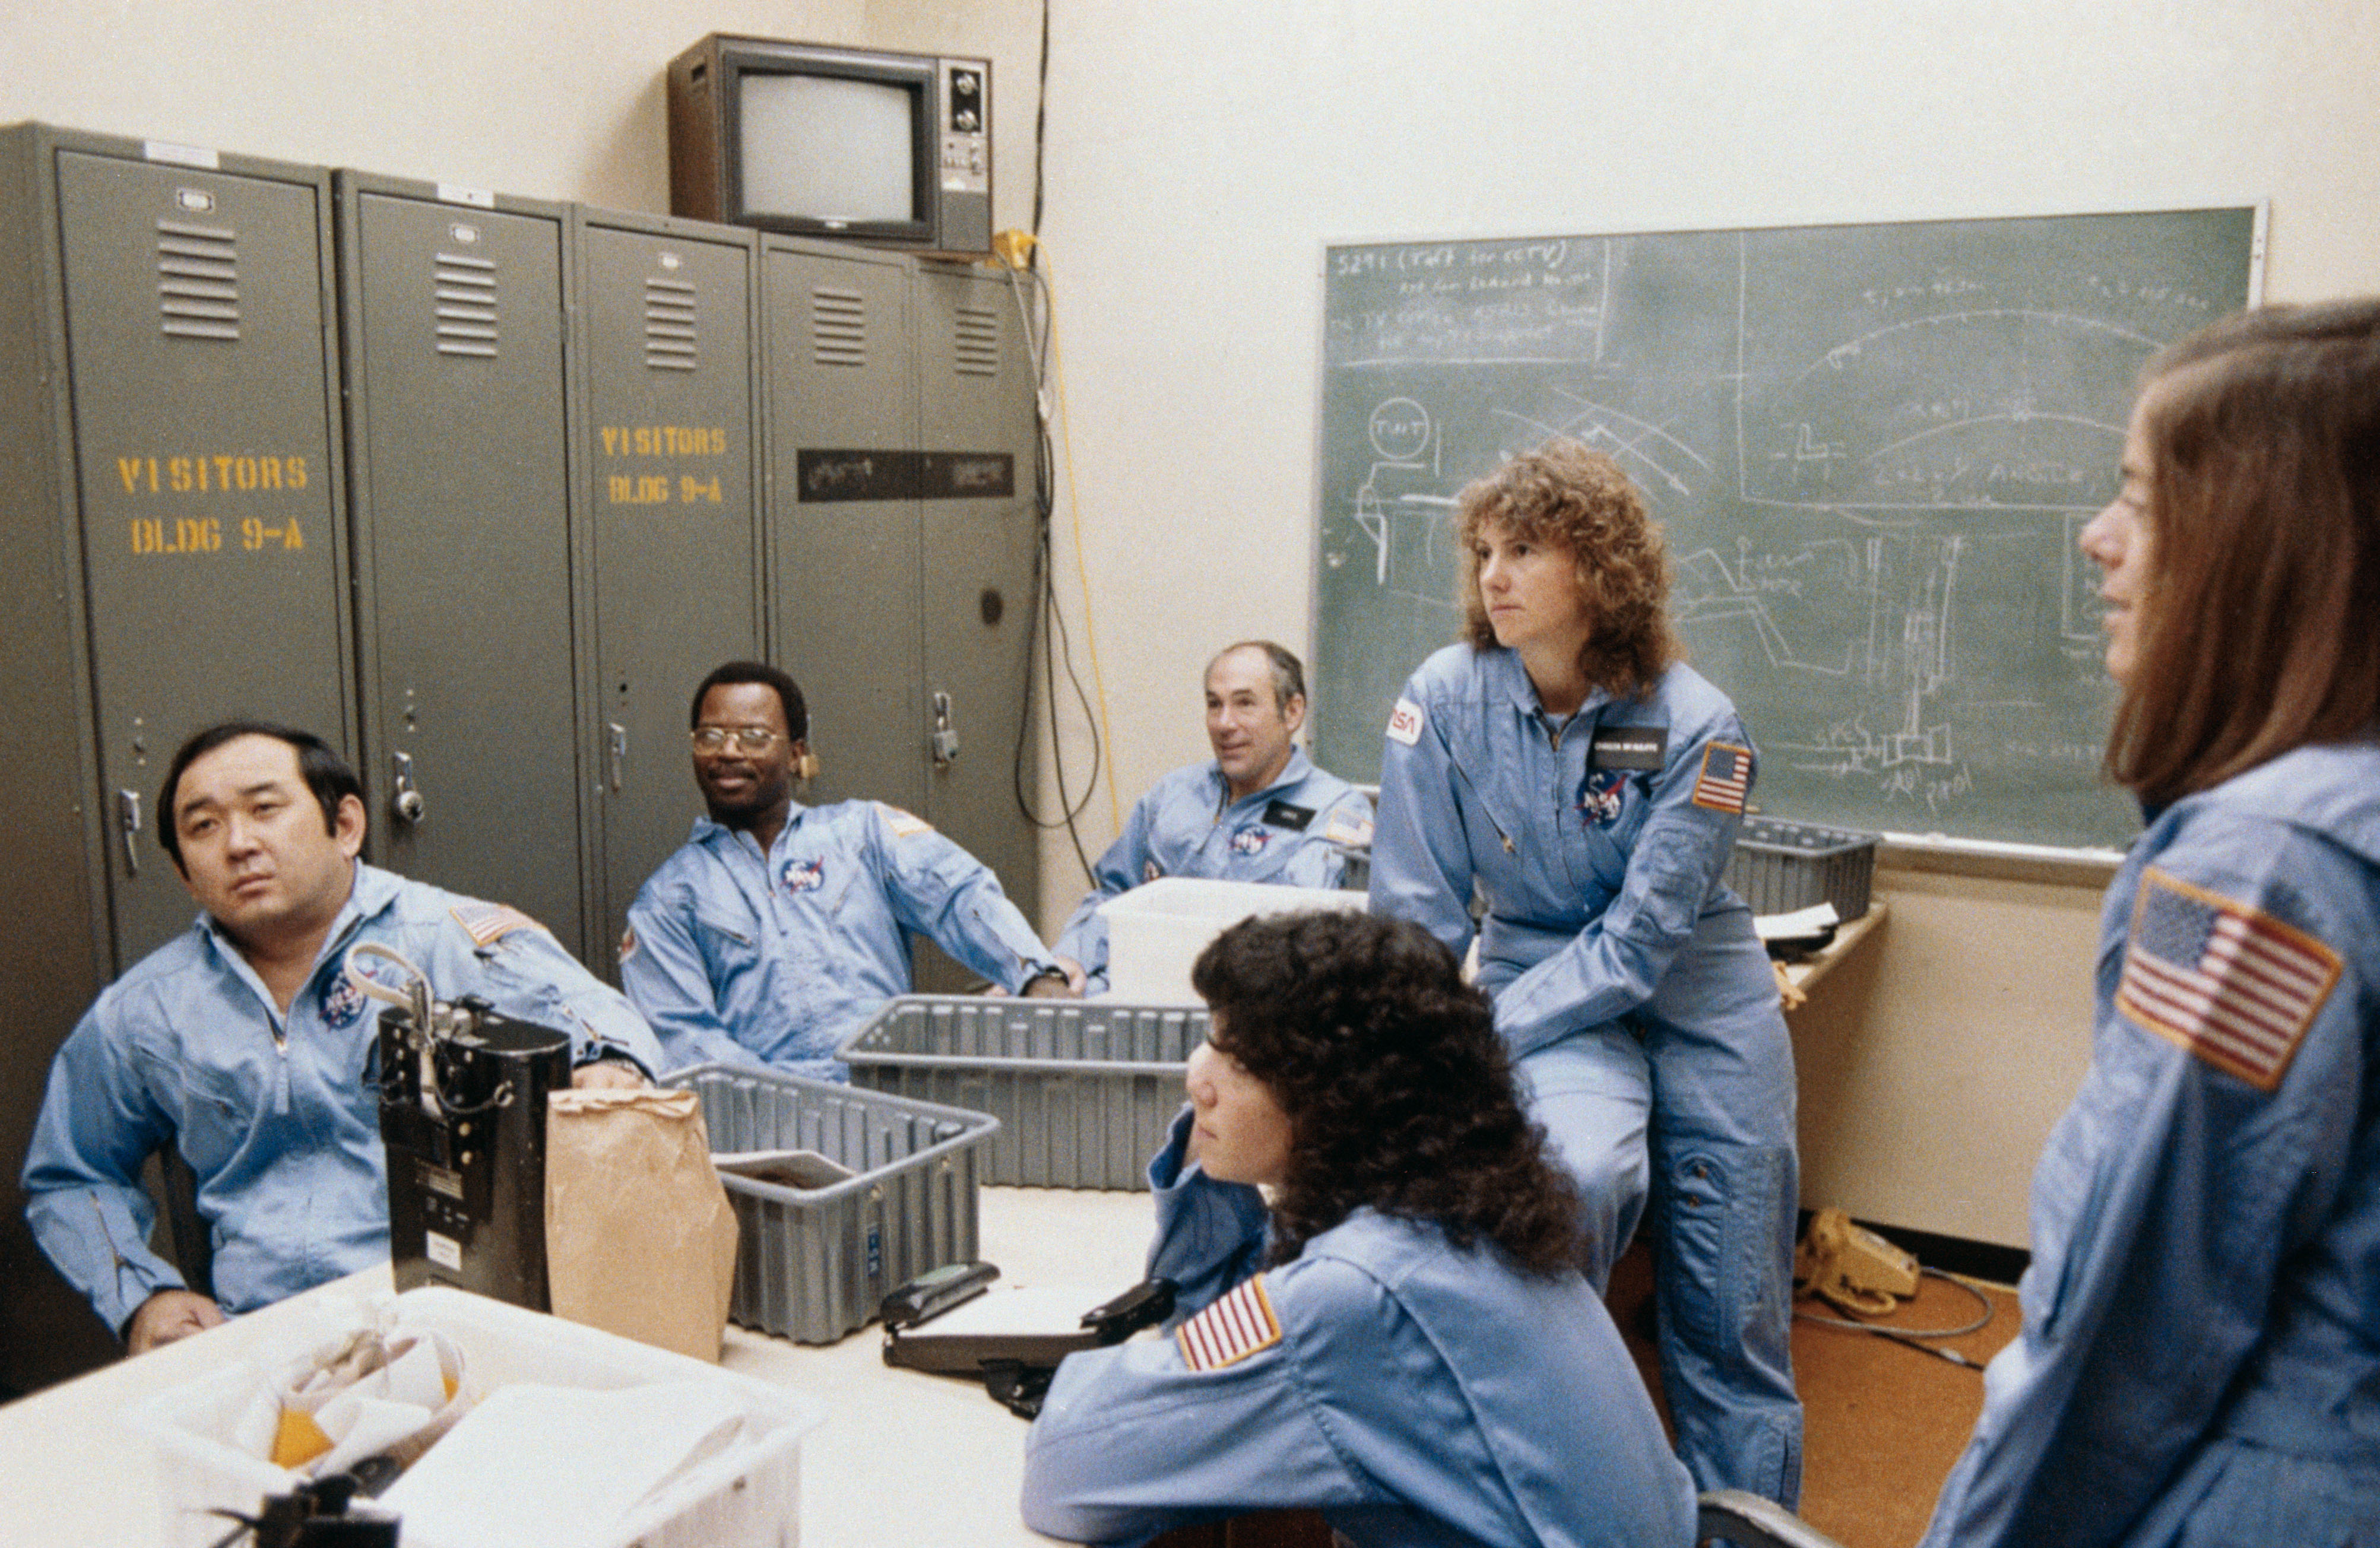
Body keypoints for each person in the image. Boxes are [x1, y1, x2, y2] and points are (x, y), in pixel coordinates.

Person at [1921, 302, 2380, 1547]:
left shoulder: (2262, 868)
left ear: (2268, 540)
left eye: (2140, 496)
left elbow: (2132, 1326)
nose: (2097, 538)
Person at [1368, 439, 1801, 1506]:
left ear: (1601, 572)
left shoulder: (1698, 726)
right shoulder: (1442, 697)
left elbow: (1638, 946)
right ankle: (1568, 1501)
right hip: (1537, 986)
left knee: (1729, 1312)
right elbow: (1414, 909)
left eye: (1522, 550)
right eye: (1482, 551)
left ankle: (1738, 1530)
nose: (1492, 576)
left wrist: (1484, 1029)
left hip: (1694, 1001)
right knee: (1572, 1188)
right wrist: (1414, 1051)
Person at [1021, 911, 1697, 1547]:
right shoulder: (1463, 1213)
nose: (1197, 1075)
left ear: (1335, 1102)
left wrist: (1070, 1382)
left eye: (1239, 1059)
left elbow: (1067, 1467)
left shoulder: (1356, 1289)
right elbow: (1220, 1311)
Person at [21, 722, 661, 1354]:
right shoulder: (151, 1008)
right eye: (204, 826)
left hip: (450, 1315)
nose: (239, 843)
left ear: (346, 825)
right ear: (185, 873)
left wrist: (609, 1066)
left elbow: (595, 1015)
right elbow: (72, 1173)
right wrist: (141, 1296)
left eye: (265, 809)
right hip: (257, 1335)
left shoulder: (439, 938)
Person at [621, 660, 1072, 1079]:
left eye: (755, 737)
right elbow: (687, 1041)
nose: (729, 752)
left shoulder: (863, 834)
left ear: (796, 752)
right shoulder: (668, 899)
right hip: (767, 1125)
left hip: (891, 1090)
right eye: (711, 737)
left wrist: (1035, 974)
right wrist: (804, 1107)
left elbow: (959, 895)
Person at [1053, 640, 1374, 994]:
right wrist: (1069, 960)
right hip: (1138, 991)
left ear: (1293, 712)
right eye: (1214, 705)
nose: (1224, 724)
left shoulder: (1335, 811)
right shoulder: (1172, 795)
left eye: (1245, 704)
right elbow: (1113, 893)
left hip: (1255, 1010)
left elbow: (1305, 938)